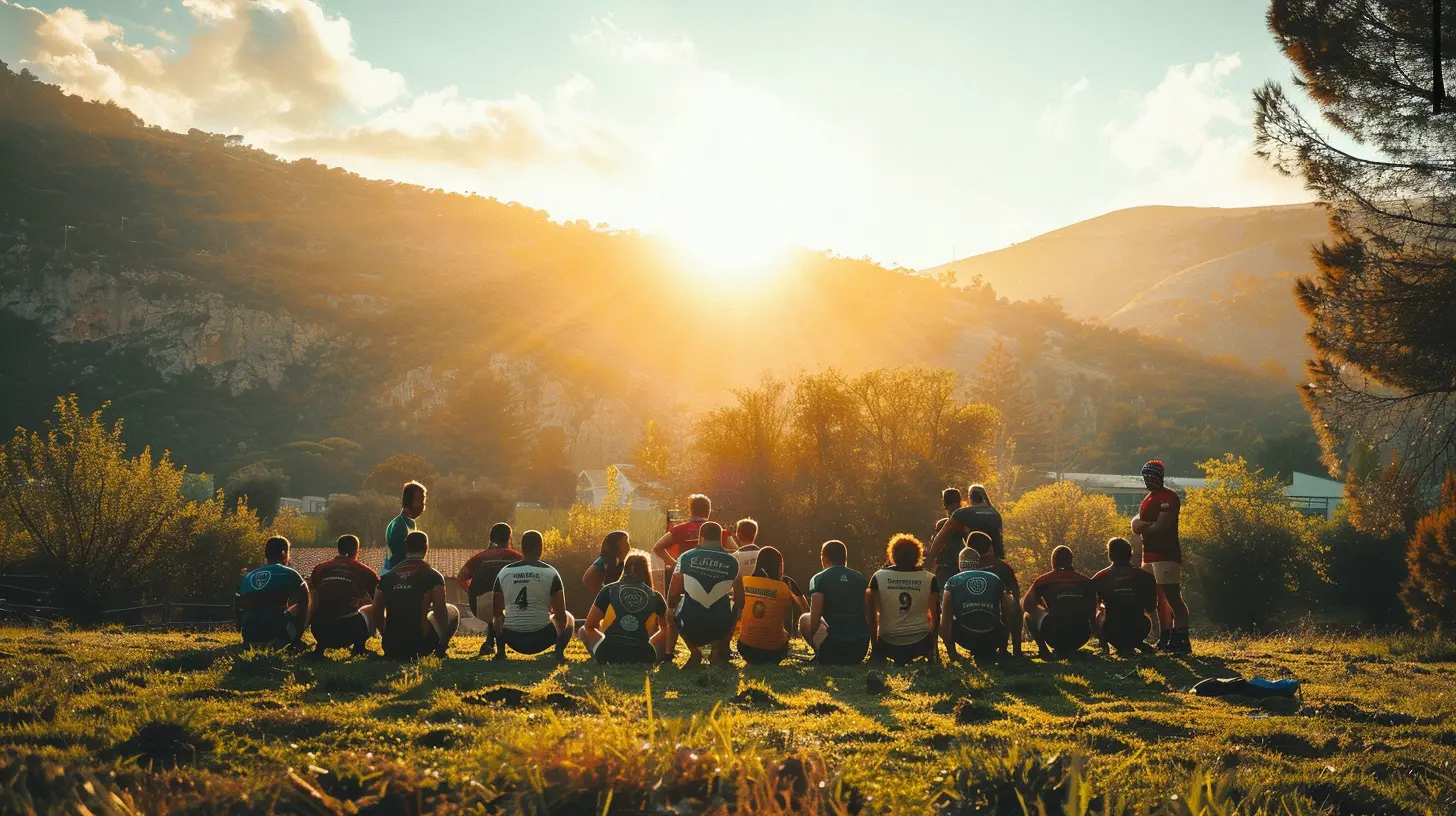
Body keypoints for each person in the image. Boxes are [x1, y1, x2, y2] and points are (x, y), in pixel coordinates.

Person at [1130, 460, 1191, 653]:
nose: (1147, 480)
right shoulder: (1149, 498)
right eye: (1145, 477)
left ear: (1158, 477)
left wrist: (1144, 526)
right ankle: (1165, 636)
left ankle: (1181, 637)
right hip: (1148, 554)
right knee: (1157, 599)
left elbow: (1162, 527)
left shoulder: (1169, 497)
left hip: (1166, 553)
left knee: (1172, 597)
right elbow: (1137, 523)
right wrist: (1144, 525)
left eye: (1150, 477)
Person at [369, 531, 459, 660]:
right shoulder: (433, 576)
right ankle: (441, 648)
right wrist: (441, 637)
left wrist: (384, 633)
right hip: (420, 647)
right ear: (426, 548)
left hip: (391, 647)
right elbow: (441, 611)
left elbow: (376, 611)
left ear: (406, 548)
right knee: (452, 610)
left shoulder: (387, 578)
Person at [491, 530, 574, 662]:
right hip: (543, 638)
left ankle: (501, 652)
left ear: (521, 548)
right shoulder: (551, 573)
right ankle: (559, 653)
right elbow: (560, 613)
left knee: (498, 617)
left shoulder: (504, 573)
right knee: (569, 617)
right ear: (541, 548)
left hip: (512, 639)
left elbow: (496, 612)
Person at [667, 521, 739, 668]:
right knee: (735, 608)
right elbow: (741, 600)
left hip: (690, 623)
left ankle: (694, 653)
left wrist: (674, 605)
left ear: (700, 537)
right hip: (721, 624)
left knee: (670, 612)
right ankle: (717, 652)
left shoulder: (685, 557)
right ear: (720, 539)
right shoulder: (733, 561)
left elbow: (672, 595)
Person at [652, 494, 714, 658]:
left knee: (672, 612)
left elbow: (657, 547)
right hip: (710, 580)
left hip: (684, 579)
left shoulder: (680, 529)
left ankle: (669, 652)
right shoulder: (715, 530)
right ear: (708, 511)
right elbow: (733, 551)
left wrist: (675, 564)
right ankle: (719, 650)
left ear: (690, 510)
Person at [579, 551, 668, 664]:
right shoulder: (655, 596)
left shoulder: (609, 589)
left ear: (625, 569)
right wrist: (651, 645)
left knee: (583, 630)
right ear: (647, 571)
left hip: (609, 653)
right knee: (664, 630)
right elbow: (667, 628)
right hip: (643, 655)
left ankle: (598, 656)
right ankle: (655, 659)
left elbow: (589, 625)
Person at [867, 534, 941, 665]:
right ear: (918, 555)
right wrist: (934, 647)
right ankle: (931, 652)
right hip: (920, 644)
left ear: (892, 554)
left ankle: (876, 652)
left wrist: (876, 646)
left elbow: (872, 614)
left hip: (887, 644)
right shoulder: (929, 578)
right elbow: (935, 616)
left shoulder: (878, 577)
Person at [942, 546, 1020, 661]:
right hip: (994, 636)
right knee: (1009, 610)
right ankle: (1002, 650)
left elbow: (946, 619)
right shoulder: (995, 579)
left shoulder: (952, 582)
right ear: (978, 563)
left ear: (960, 565)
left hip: (965, 637)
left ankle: (953, 655)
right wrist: (1003, 639)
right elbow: (1009, 612)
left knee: (942, 617)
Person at [799, 540, 870, 665]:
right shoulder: (860, 578)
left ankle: (819, 653)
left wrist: (812, 638)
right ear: (845, 559)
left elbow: (815, 617)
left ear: (824, 558)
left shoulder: (819, 578)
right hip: (859, 650)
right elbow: (868, 614)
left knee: (805, 618)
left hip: (833, 649)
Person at [732, 546, 807, 665]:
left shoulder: (744, 582)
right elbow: (804, 608)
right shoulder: (784, 586)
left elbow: (738, 605)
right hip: (775, 652)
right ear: (779, 566)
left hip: (746, 650)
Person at [307, 534, 379, 656]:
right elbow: (379, 597)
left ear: (338, 549)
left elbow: (313, 601)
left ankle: (320, 647)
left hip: (319, 631)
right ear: (356, 551)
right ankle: (359, 647)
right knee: (375, 605)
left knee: (316, 601)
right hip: (348, 632)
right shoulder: (363, 570)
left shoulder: (319, 568)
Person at [458, 522, 523, 656]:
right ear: (509, 539)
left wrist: (472, 593)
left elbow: (461, 578)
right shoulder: (517, 558)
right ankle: (497, 646)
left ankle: (489, 641)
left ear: (490, 539)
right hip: (510, 606)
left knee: (494, 605)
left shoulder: (479, 558)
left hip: (479, 606)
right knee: (498, 606)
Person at [1022, 546, 1097, 658]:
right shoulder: (1085, 580)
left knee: (1027, 615)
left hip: (1054, 634)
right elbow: (1092, 610)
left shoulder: (1043, 580)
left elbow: (1027, 605)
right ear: (1071, 560)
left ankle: (1043, 650)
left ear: (1053, 561)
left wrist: (1044, 608)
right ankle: (1072, 649)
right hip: (1081, 634)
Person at [237, 536, 309, 649]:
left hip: (249, 634)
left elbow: (237, 607)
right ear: (284, 553)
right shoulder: (289, 574)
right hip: (277, 633)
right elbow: (304, 599)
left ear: (266, 554)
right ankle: (295, 640)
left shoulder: (248, 577)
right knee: (307, 593)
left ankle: (252, 641)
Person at [1092, 537, 1158, 656]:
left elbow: (1091, 605)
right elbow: (1151, 607)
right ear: (1131, 554)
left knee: (1099, 612)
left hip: (1111, 631)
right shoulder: (1146, 577)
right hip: (1140, 629)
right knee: (1144, 616)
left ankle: (1104, 643)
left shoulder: (1099, 577)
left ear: (1110, 555)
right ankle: (1136, 642)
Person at [967, 531, 1023, 657]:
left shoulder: (963, 570)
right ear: (990, 547)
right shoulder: (1002, 567)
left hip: (968, 633)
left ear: (968, 549)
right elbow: (1016, 593)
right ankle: (1015, 649)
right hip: (997, 630)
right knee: (1015, 605)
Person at [383, 480, 427, 574]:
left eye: (424, 501)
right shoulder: (399, 526)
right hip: (396, 580)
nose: (423, 505)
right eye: (420, 500)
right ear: (408, 501)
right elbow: (399, 560)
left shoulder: (408, 523)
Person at [926, 488, 967, 586]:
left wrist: (930, 560)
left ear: (945, 504)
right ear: (960, 502)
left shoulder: (942, 524)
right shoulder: (965, 521)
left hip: (944, 565)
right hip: (959, 564)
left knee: (943, 593)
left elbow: (935, 545)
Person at [582, 530, 631, 597]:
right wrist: (607, 595)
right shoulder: (606, 559)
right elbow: (587, 578)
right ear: (618, 545)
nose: (629, 546)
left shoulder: (625, 562)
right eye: (626, 541)